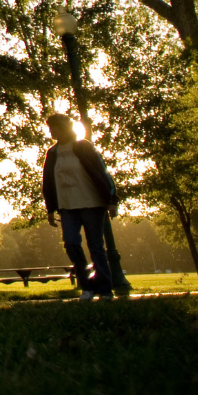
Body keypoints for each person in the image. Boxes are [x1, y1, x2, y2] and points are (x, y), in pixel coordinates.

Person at [41, 113, 118, 300]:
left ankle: (105, 288)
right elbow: (48, 182)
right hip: (67, 206)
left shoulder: (84, 147)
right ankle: (87, 285)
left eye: (54, 128)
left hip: (91, 203)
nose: (51, 131)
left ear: (64, 128)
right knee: (71, 243)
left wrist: (111, 200)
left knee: (95, 246)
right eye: (50, 128)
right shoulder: (52, 153)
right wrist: (50, 208)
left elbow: (102, 172)